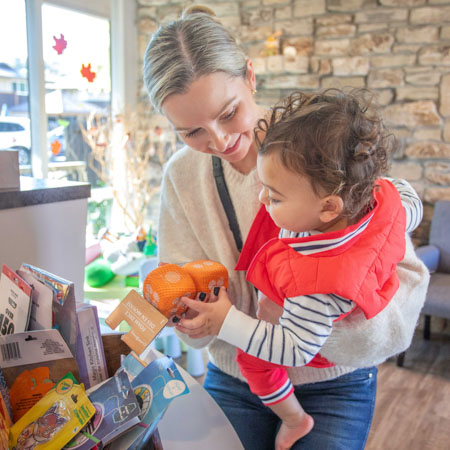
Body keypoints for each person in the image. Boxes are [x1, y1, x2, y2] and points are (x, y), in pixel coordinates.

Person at [143, 6, 429, 449]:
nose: (218, 141)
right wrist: (197, 320)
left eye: (228, 112)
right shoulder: (182, 178)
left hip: (334, 382)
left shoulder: (323, 148)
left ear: (251, 77)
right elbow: (179, 281)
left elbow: (399, 284)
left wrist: (325, 312)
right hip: (238, 375)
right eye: (191, 131)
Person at [176, 89, 416, 450]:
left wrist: (228, 321)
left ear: (329, 207)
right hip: (237, 376)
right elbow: (407, 200)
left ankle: (294, 418)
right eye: (191, 130)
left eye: (274, 197)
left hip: (318, 357)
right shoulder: (382, 200)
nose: (261, 199)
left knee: (253, 361)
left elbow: (293, 349)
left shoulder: (317, 285)